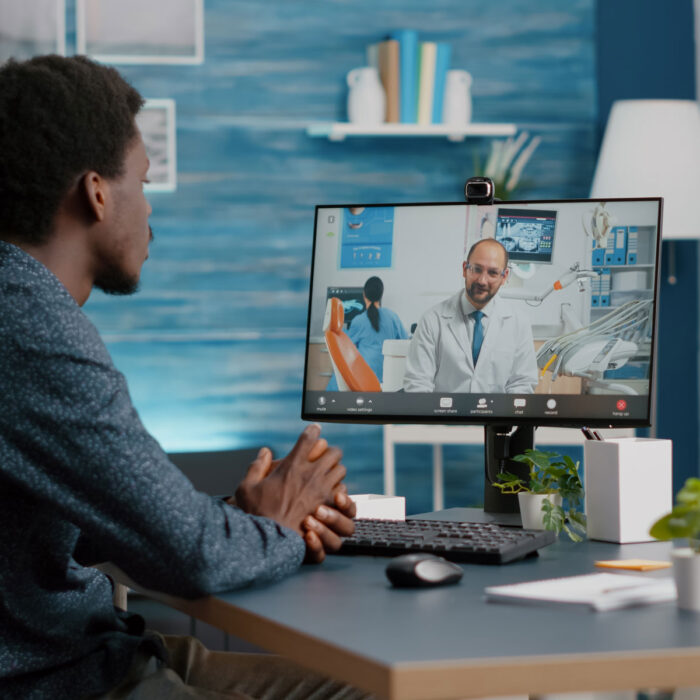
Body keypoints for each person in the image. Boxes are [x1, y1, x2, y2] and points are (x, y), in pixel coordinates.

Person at [0, 55, 369, 699]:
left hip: (86, 653)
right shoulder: (27, 322)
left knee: (362, 686)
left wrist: (245, 523)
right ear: (96, 193)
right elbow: (189, 559)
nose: (149, 215)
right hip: (57, 680)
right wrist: (277, 528)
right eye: (142, 184)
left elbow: (91, 522)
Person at [403, 239, 538, 394]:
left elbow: (522, 384)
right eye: (476, 269)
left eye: (493, 273)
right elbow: (418, 384)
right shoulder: (432, 320)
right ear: (464, 269)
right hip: (444, 416)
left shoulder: (518, 323)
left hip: (496, 417)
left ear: (504, 276)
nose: (482, 280)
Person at [327, 276, 408, 390]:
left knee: (337, 376)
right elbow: (405, 342)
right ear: (381, 295)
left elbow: (346, 348)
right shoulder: (392, 317)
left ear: (364, 295)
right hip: (388, 377)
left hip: (365, 377)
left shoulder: (358, 321)